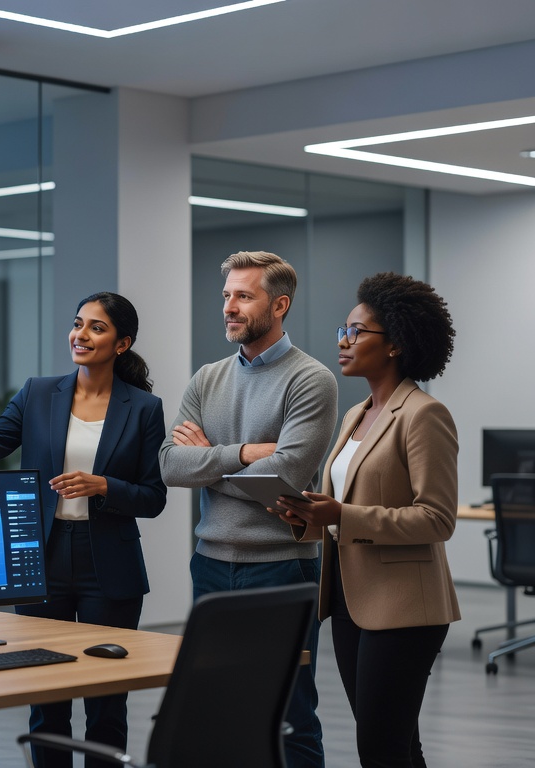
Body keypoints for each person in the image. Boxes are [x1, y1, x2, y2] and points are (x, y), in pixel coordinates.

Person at [0, 291, 166, 768]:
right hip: (42, 560)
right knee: (45, 699)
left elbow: (153, 498)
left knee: (106, 702)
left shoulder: (144, 408)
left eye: (97, 328)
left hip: (109, 564)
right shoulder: (39, 393)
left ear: (122, 343)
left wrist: (103, 485)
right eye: (78, 323)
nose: (81, 335)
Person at [157, 250, 337, 768]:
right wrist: (242, 455)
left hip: (281, 568)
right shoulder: (207, 377)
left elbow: (288, 479)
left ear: (279, 305)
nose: (229, 307)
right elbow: (170, 466)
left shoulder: (311, 379)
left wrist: (209, 460)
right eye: (226, 296)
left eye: (243, 296)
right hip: (210, 566)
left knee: (288, 713)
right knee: (216, 708)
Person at [272, 273, 458, 768]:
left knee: (381, 748)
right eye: (343, 330)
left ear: (395, 343)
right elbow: (347, 508)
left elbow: (437, 519)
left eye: (356, 332)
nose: (343, 341)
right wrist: (307, 516)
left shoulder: (423, 415)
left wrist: (342, 514)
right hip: (349, 600)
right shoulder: (356, 413)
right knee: (393, 746)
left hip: (404, 607)